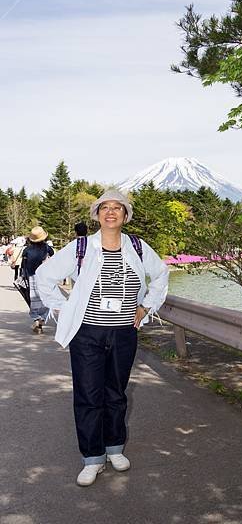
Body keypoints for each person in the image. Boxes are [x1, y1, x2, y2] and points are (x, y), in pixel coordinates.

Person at [36, 189, 169, 487]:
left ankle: (114, 448)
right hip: (88, 334)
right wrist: (64, 308)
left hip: (124, 333)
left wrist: (146, 306)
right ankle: (92, 458)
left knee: (116, 393)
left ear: (125, 215)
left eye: (117, 208)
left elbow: (161, 275)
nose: (111, 212)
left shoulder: (137, 246)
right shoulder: (81, 247)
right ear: (96, 214)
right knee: (88, 394)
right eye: (104, 207)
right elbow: (44, 276)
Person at [21, 227, 54, 334]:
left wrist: (23, 276)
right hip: (45, 278)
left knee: (34, 301)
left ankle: (36, 319)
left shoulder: (27, 250)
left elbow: (23, 265)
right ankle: (42, 319)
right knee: (46, 300)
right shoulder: (47, 248)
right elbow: (53, 256)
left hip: (31, 277)